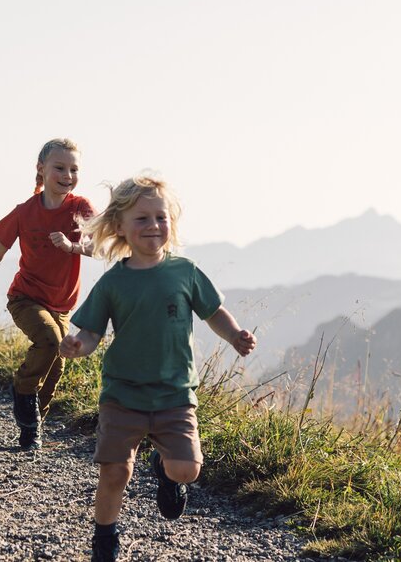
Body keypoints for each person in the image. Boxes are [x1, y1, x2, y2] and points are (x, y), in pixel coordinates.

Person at [58, 174, 256, 562]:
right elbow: (92, 332)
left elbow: (214, 311)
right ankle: (105, 538)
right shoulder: (114, 283)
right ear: (120, 227)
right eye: (142, 219)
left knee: (188, 470)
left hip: (174, 394)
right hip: (123, 396)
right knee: (115, 473)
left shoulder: (185, 272)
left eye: (161, 218)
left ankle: (165, 470)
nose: (153, 226)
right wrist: (77, 345)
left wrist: (234, 336)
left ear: (172, 223)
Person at [0, 138, 94, 449]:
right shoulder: (24, 212)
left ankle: (31, 426)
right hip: (26, 298)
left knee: (57, 363)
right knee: (50, 341)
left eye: (74, 169)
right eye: (60, 167)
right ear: (41, 169)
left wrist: (72, 247)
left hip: (62, 306)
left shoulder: (80, 208)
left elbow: (101, 245)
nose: (67, 175)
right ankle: (23, 390)